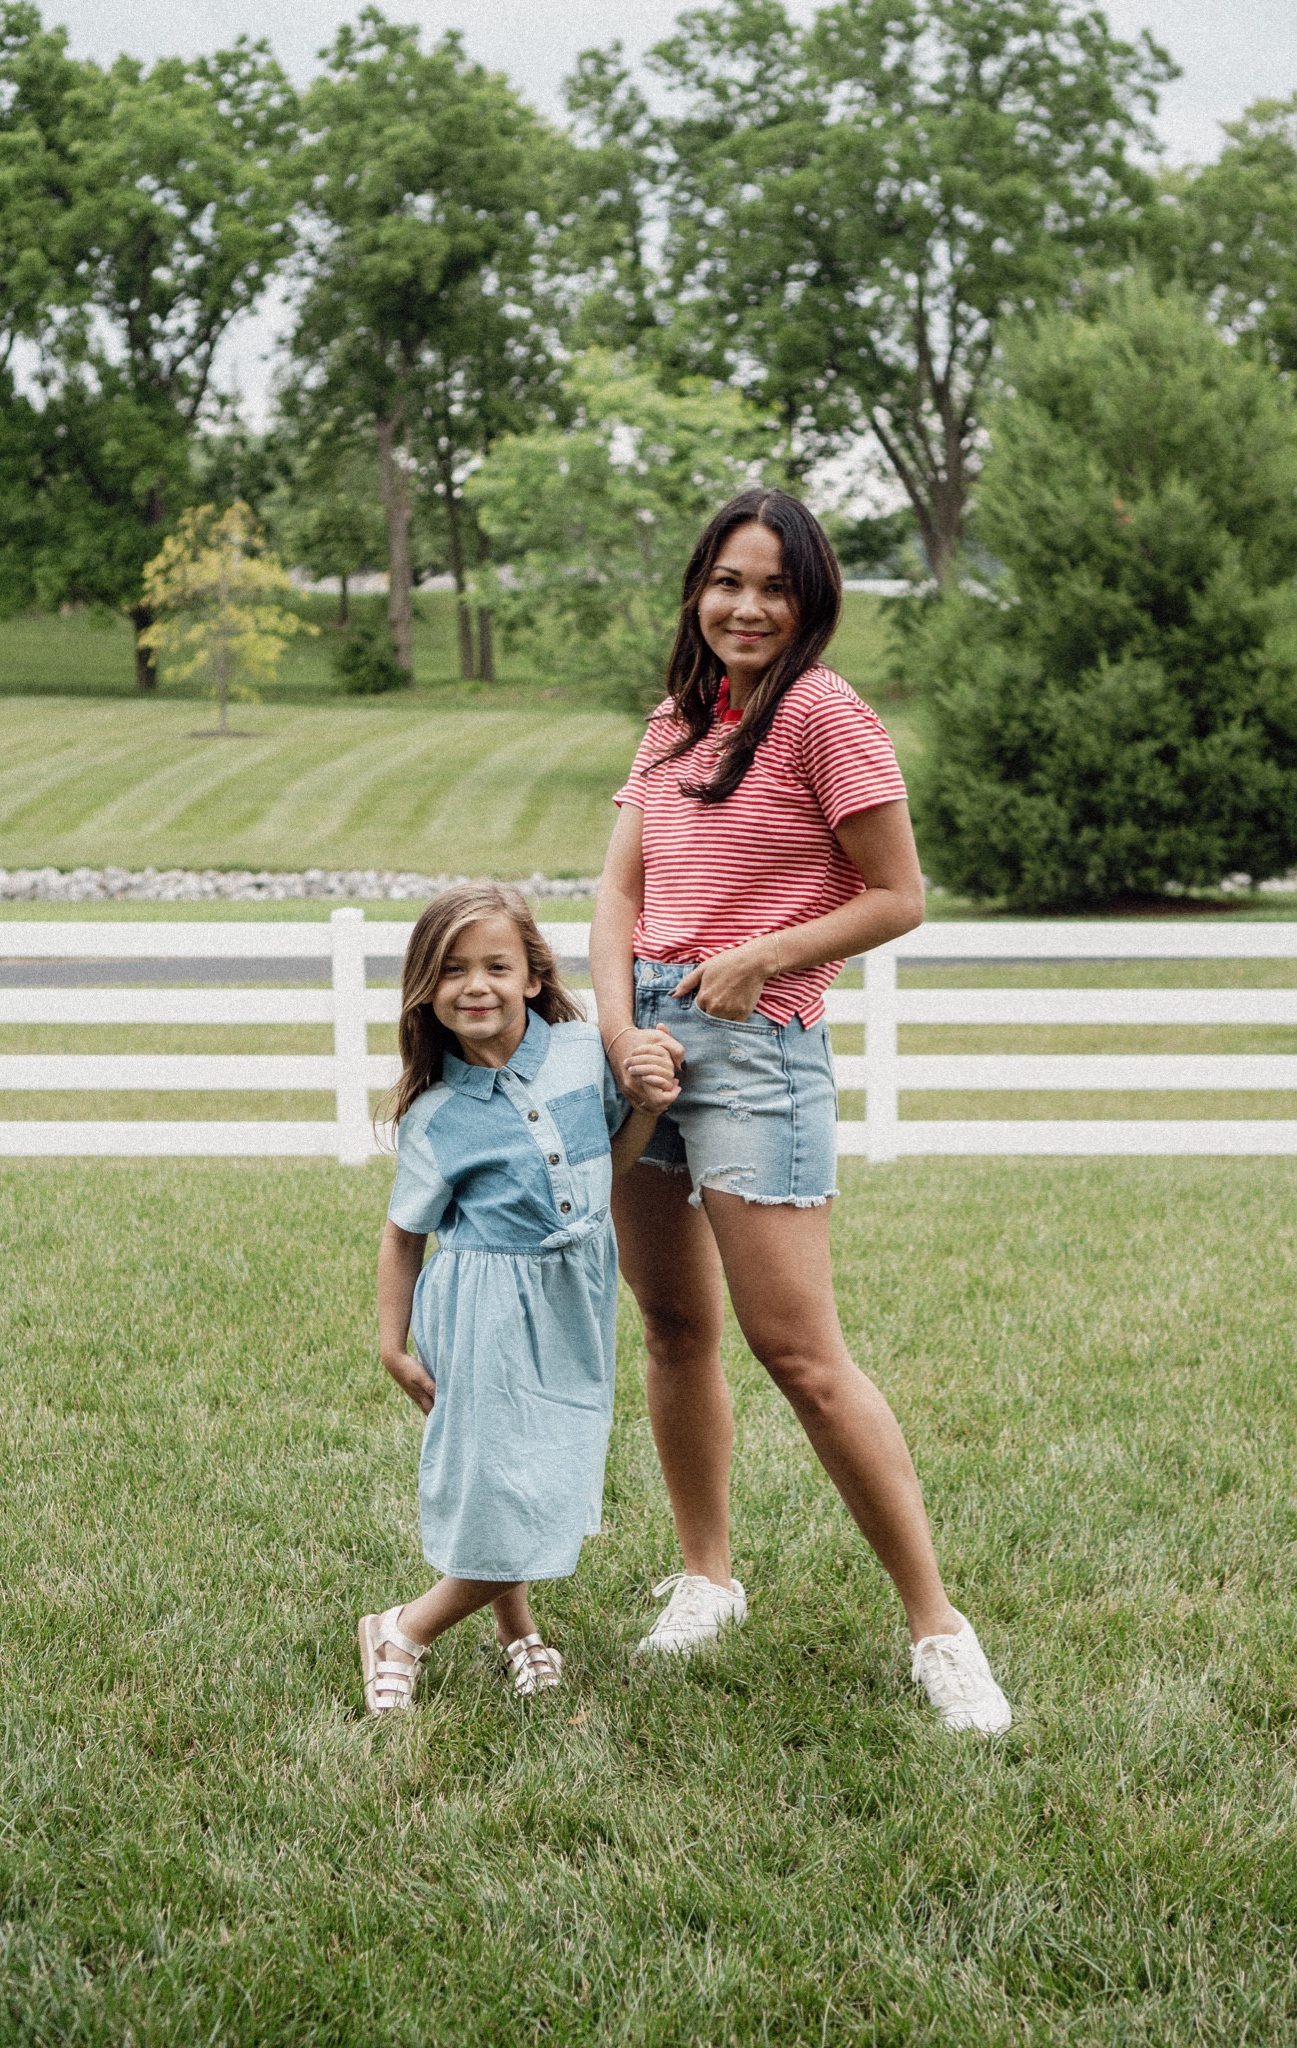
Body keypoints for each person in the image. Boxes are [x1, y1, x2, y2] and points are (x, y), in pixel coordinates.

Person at [590, 488, 1012, 1733]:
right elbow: (617, 895)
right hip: (646, 1043)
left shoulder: (827, 715)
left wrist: (765, 953)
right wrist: (617, 1032)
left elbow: (899, 896)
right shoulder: (673, 719)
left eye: (774, 585)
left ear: (810, 597)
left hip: (757, 1045)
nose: (747, 605)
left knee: (802, 1357)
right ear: (696, 588)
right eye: (727, 579)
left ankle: (939, 1629)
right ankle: (707, 1577)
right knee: (673, 1326)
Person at [358, 882, 677, 1713]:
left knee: (542, 1469)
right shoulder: (434, 1117)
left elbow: (611, 1149)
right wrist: (393, 1345)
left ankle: (517, 1631)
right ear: (427, 991)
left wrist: (645, 1102)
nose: (477, 985)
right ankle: (403, 1628)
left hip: (572, 1296)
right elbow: (404, 1235)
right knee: (511, 1478)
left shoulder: (579, 1050)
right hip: (484, 1308)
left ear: (533, 975)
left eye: (497, 965)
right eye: (453, 970)